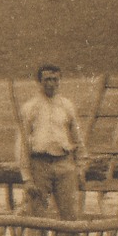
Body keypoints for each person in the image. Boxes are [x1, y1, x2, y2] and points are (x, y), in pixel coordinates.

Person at [16, 63, 83, 222]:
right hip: (40, 165)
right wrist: (27, 178)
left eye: (55, 79)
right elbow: (22, 145)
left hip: (64, 164)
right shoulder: (30, 108)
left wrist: (80, 167)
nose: (51, 84)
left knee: (70, 215)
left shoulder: (67, 106)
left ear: (60, 80)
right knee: (38, 216)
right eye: (47, 79)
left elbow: (77, 138)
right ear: (39, 82)